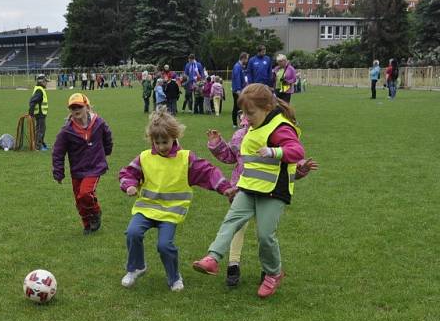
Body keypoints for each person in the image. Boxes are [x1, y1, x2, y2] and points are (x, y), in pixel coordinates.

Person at [192, 83, 305, 298]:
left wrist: (274, 151)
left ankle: (273, 274)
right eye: (243, 112)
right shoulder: (252, 127)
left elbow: (297, 150)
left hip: (273, 191)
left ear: (268, 107)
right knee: (231, 220)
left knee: (265, 236)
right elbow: (238, 157)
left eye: (250, 112)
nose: (246, 117)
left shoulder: (280, 127)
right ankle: (213, 258)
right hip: (248, 187)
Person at [118, 111, 233, 292]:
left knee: (164, 245)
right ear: (152, 141)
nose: (162, 146)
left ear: (175, 137)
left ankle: (174, 277)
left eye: (165, 142)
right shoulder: (145, 157)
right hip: (146, 208)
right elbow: (128, 173)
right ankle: (136, 267)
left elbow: (208, 172)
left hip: (171, 212)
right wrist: (129, 185)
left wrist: (225, 188)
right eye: (157, 142)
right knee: (132, 233)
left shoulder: (186, 158)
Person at [205, 116, 317, 287]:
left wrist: (301, 170)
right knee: (237, 226)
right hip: (242, 187)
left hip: (268, 191)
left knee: (264, 232)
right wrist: (216, 144)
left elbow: (287, 166)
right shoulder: (240, 135)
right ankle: (233, 266)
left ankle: (268, 270)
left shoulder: (275, 133)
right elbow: (230, 156)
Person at [51, 93, 113, 234]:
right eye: (73, 108)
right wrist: (58, 172)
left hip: (95, 167)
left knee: (85, 193)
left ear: (87, 107)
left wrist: (106, 151)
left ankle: (96, 213)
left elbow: (107, 137)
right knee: (79, 200)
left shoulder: (99, 123)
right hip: (77, 170)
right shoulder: (66, 131)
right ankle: (87, 224)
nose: (76, 110)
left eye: (79, 106)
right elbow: (58, 152)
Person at [28, 74, 49, 151]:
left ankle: (42, 144)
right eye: (45, 81)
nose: (46, 83)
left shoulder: (40, 89)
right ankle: (38, 146)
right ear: (41, 82)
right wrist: (31, 113)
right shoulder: (39, 90)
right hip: (40, 114)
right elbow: (32, 101)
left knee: (42, 129)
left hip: (41, 114)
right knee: (40, 129)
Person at [231, 52, 249, 127]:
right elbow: (237, 78)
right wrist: (238, 90)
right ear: (243, 58)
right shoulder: (237, 67)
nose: (247, 61)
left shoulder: (240, 66)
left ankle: (239, 123)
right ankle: (236, 123)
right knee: (237, 107)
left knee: (238, 106)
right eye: (247, 59)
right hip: (237, 90)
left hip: (240, 90)